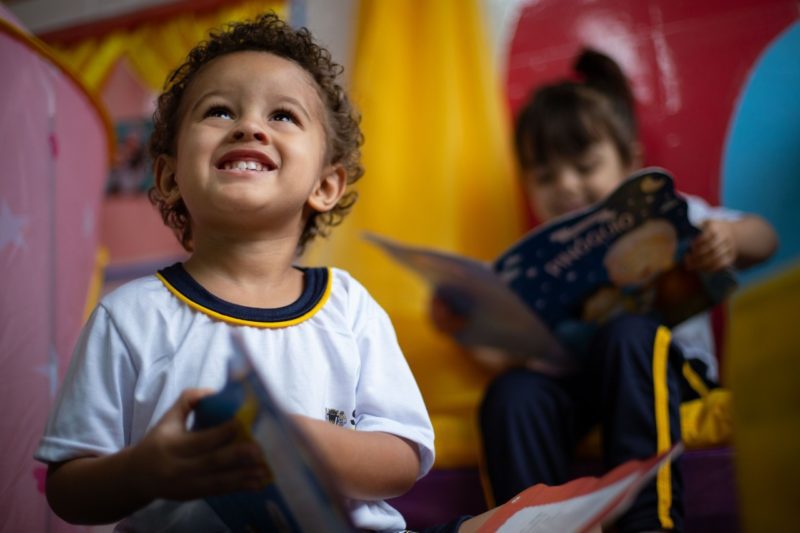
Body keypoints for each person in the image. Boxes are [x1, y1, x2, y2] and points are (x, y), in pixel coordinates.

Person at [35, 13, 437, 532]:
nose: (249, 126)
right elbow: (68, 490)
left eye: (283, 115)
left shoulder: (349, 307)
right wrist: (144, 471)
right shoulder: (129, 317)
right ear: (169, 176)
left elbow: (402, 461)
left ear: (325, 186)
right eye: (220, 111)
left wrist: (291, 442)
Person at [433, 49, 778, 532]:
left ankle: (648, 522)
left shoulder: (669, 216)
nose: (566, 186)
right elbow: (511, 356)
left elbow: (766, 238)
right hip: (579, 391)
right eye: (545, 176)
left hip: (666, 375)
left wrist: (727, 240)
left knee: (629, 332)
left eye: (584, 166)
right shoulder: (540, 260)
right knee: (513, 392)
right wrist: (465, 327)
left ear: (630, 161)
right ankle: (533, 528)